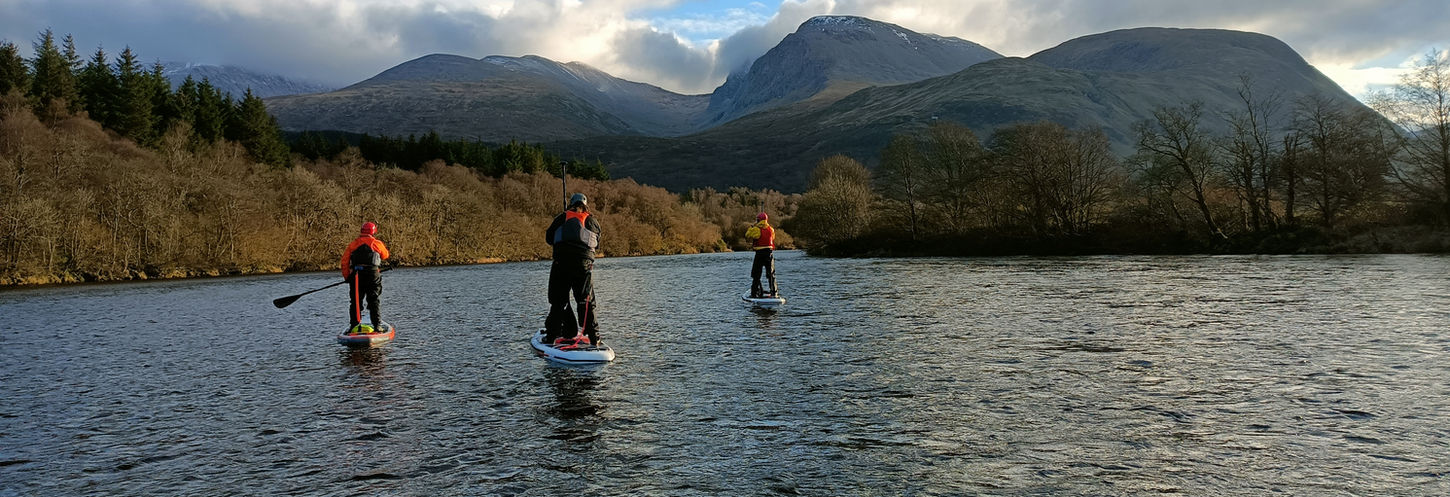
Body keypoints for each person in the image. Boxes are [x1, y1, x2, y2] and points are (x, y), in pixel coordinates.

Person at [543, 193, 602, 345]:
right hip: (583, 266)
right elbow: (597, 243)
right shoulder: (592, 221)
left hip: (561, 265)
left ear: (571, 204)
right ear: (585, 206)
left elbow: (549, 238)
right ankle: (594, 338)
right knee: (586, 301)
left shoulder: (561, 218)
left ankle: (551, 337)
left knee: (558, 302)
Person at [341, 222, 391, 334]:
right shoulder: (376, 243)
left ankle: (354, 325)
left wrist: (347, 277)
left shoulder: (353, 244)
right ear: (373, 232)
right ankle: (377, 325)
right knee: (374, 300)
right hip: (373, 275)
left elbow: (344, 262)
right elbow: (385, 255)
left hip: (357, 276)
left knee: (355, 301)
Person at [745, 212, 778, 298]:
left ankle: (755, 292)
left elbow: (748, 235)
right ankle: (774, 292)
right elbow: (772, 238)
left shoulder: (756, 229)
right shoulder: (771, 229)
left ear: (758, 220)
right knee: (771, 274)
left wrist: (751, 228)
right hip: (769, 253)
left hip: (759, 254)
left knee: (756, 274)